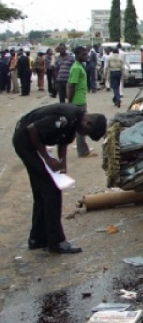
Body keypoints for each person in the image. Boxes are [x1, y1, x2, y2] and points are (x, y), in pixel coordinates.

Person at [13, 103, 106, 254]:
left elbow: (63, 142)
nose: (83, 135)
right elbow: (32, 130)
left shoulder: (75, 122)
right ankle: (56, 242)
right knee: (51, 191)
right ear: (88, 123)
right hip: (25, 141)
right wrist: (47, 159)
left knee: (41, 191)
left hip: (30, 141)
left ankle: (37, 238)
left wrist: (62, 167)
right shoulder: (67, 117)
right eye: (87, 133)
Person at [67, 46, 97, 158]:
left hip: (80, 99)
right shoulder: (76, 68)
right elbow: (71, 85)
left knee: (81, 126)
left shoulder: (79, 66)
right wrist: (70, 101)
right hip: (78, 101)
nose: (86, 56)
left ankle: (82, 148)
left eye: (86, 54)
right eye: (83, 54)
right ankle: (83, 151)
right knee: (81, 126)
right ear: (77, 55)